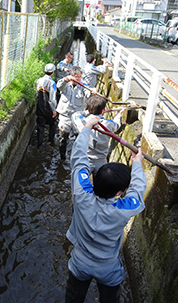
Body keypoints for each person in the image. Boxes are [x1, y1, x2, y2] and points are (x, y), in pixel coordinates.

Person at [65, 116, 146, 303]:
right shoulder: (123, 209)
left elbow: (79, 159)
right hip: (107, 267)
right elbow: (137, 192)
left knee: (73, 298)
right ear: (119, 192)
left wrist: (86, 127)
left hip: (80, 261)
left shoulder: (81, 194)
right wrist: (137, 164)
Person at [72, 95, 123, 175]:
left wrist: (88, 112)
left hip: (85, 159)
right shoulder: (108, 123)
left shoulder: (81, 122)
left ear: (88, 108)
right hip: (101, 160)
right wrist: (118, 114)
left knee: (83, 183)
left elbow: (75, 114)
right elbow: (116, 124)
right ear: (103, 111)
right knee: (100, 184)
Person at [56, 66, 96, 160]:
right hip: (65, 116)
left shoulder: (83, 85)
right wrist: (65, 79)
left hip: (77, 117)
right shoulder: (65, 84)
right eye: (76, 76)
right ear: (71, 76)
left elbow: (87, 92)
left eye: (79, 76)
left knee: (80, 138)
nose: (78, 78)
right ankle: (63, 157)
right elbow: (59, 85)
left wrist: (92, 91)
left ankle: (77, 158)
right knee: (62, 139)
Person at [36, 63, 57, 147]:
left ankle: (39, 144)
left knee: (40, 126)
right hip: (48, 108)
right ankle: (51, 140)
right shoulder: (52, 83)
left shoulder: (39, 80)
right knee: (53, 124)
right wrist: (54, 110)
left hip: (40, 106)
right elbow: (52, 99)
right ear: (53, 72)